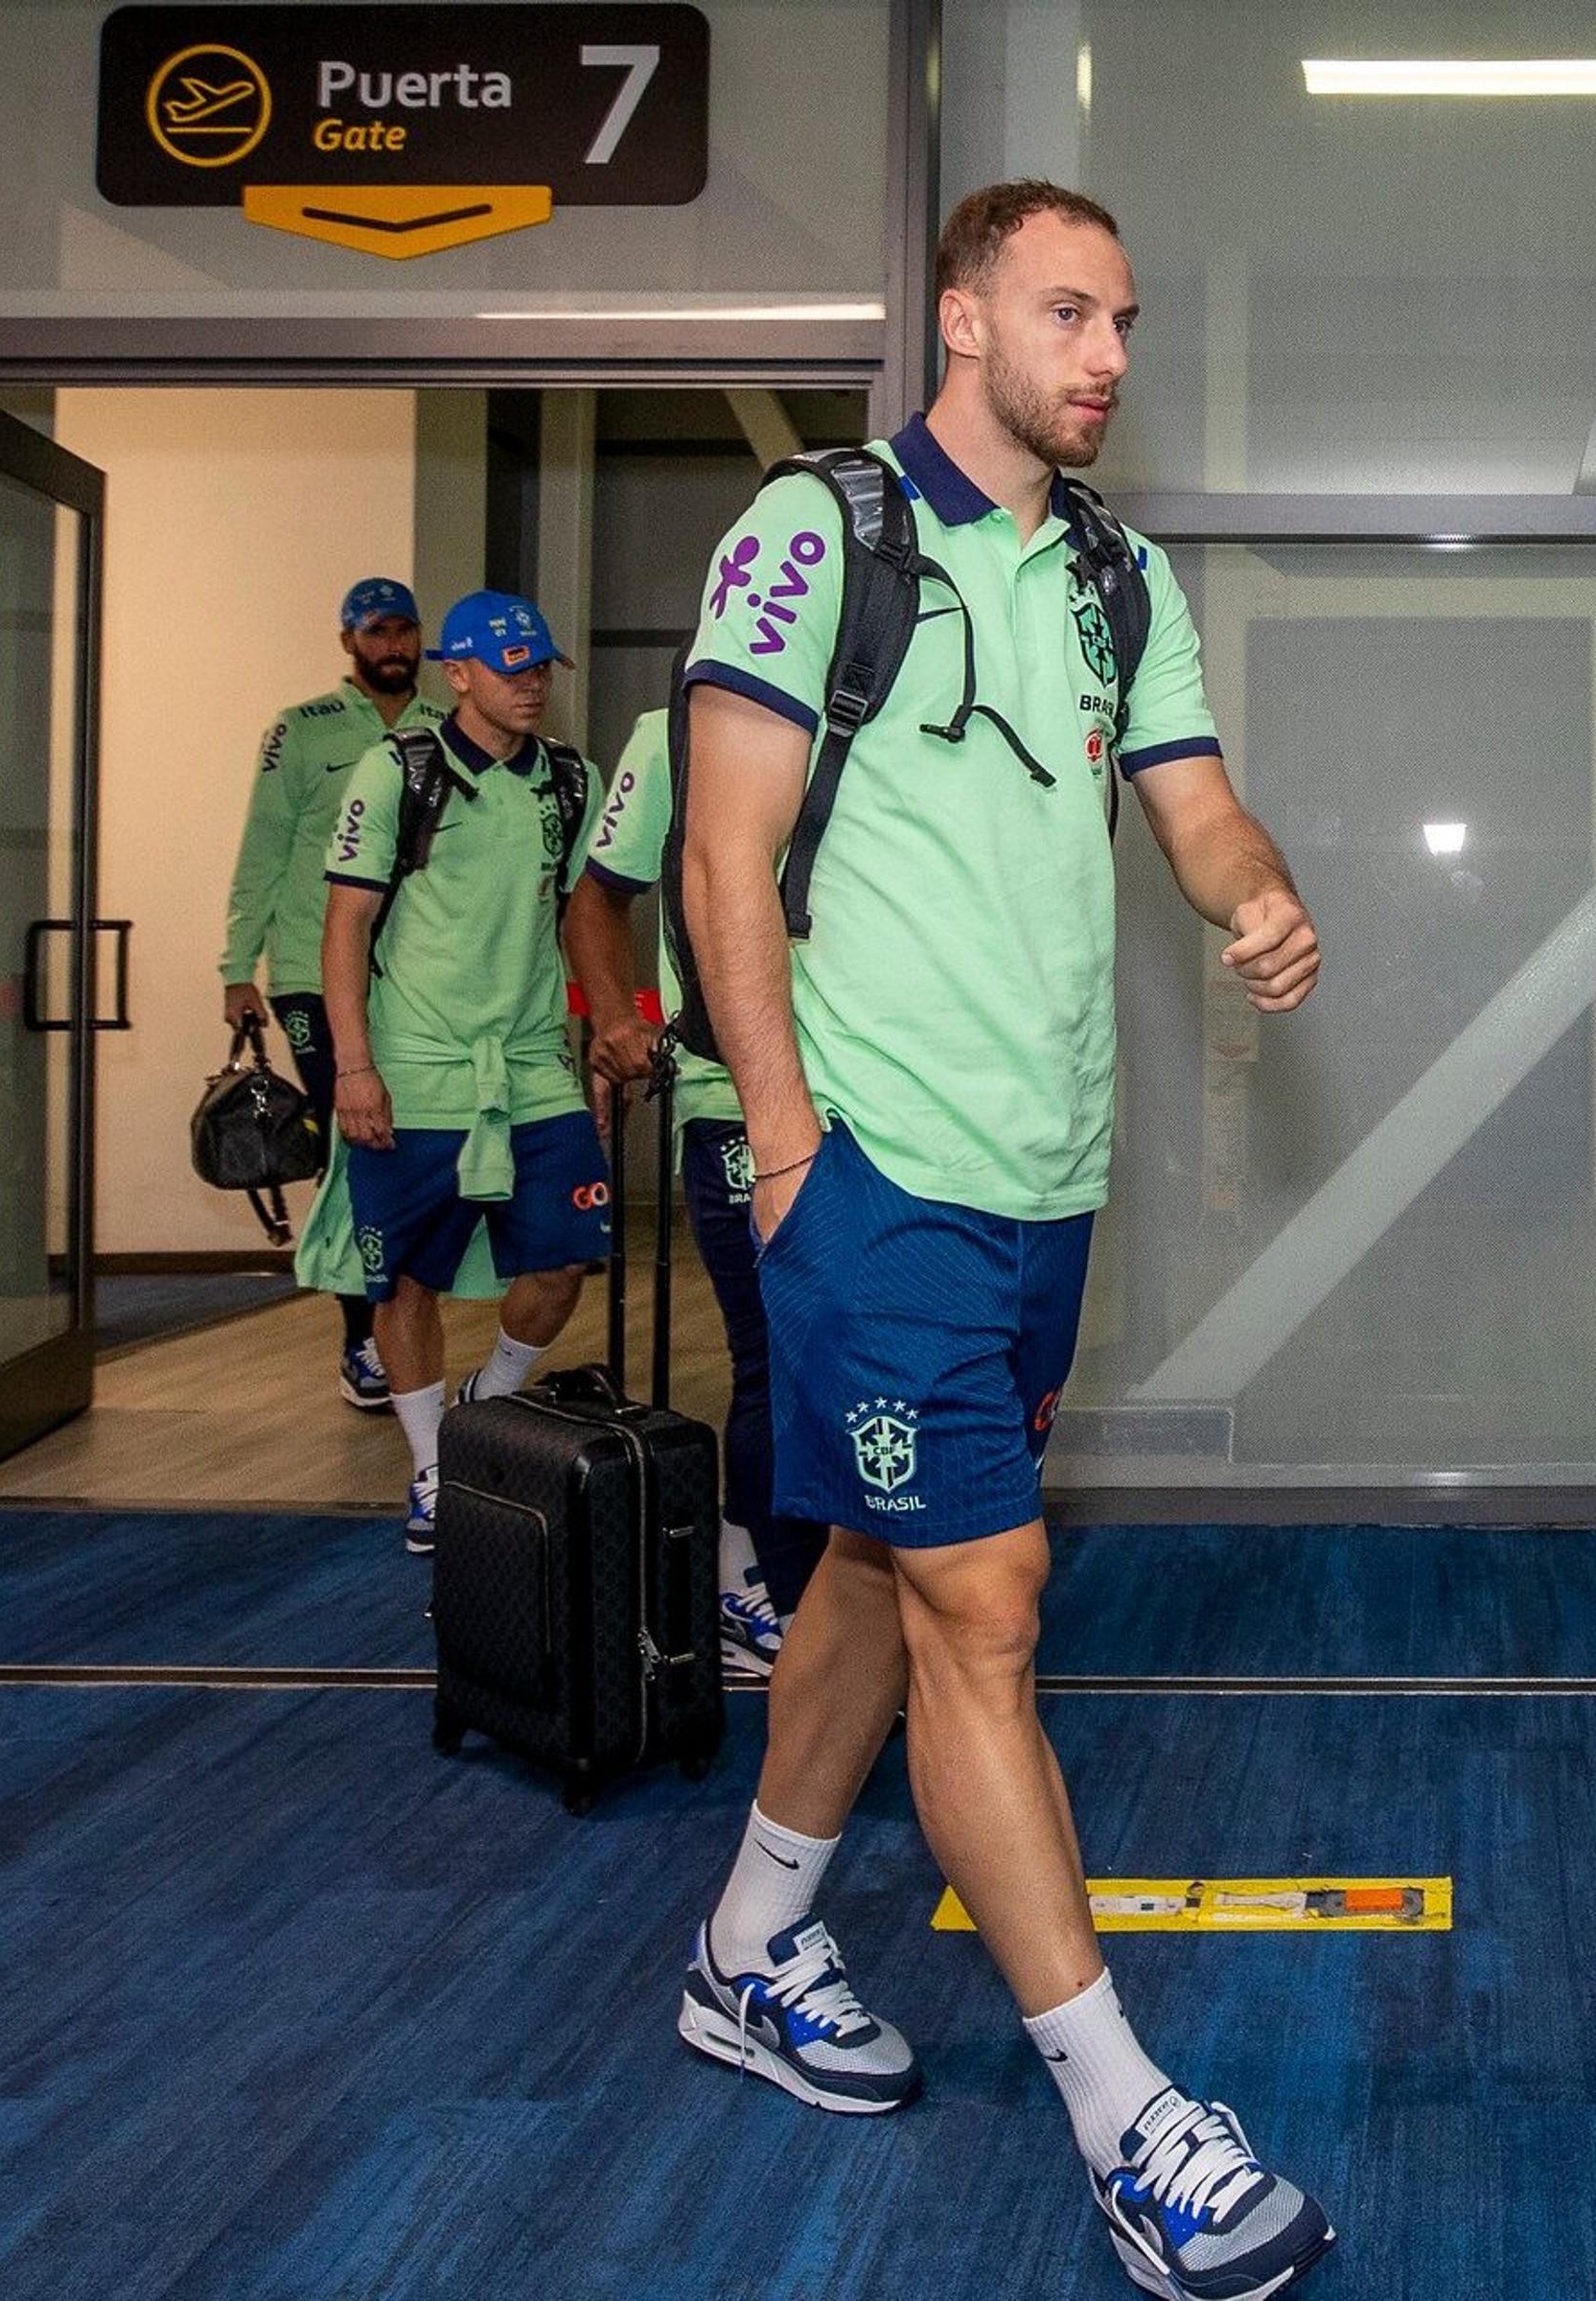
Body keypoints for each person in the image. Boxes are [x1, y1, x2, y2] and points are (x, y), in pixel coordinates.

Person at [666, 180, 1335, 2300]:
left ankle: (751, 1942)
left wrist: (1251, 889)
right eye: (1069, 311)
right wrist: (782, 1144)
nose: (1107, 351)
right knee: (987, 1595)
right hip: (870, 1174)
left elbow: (1193, 795)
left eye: (1124, 317)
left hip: (1046, 1183)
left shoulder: (1121, 577)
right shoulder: (820, 537)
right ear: (962, 319)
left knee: (877, 1572)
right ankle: (1126, 2113)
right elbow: (721, 851)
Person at [311, 591, 609, 1552]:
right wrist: (354, 1066)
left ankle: (492, 1400)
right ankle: (437, 1466)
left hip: (530, 1066)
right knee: (403, 1281)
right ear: (461, 674)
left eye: (538, 668)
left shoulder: (570, 780)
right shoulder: (396, 772)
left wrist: (608, 1029)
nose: (528, 685)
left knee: (565, 1259)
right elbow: (346, 924)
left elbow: (584, 919)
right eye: (509, 668)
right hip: (416, 1067)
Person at [565, 704, 825, 1677]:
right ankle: (768, 1591)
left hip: (872, 1092)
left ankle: (794, 1576)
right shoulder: (668, 732)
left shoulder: (879, 699)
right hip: (731, 1095)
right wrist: (612, 1020)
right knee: (774, 1358)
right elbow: (597, 898)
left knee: (842, 1357)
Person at [219, 577, 444, 1408]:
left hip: (411, 981)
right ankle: (363, 1337)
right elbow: (263, 850)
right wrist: (237, 969)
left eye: (405, 631)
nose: (394, 647)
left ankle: (399, 1317)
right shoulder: (302, 731)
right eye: (377, 632)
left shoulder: (442, 729)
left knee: (404, 1144)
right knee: (356, 1145)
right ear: (349, 641)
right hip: (314, 976)